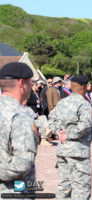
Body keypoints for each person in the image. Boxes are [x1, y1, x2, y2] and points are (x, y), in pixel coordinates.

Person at [0, 62, 39, 194]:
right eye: (31, 83)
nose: (32, 87)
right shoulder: (21, 115)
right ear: (22, 83)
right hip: (12, 191)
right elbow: (22, 163)